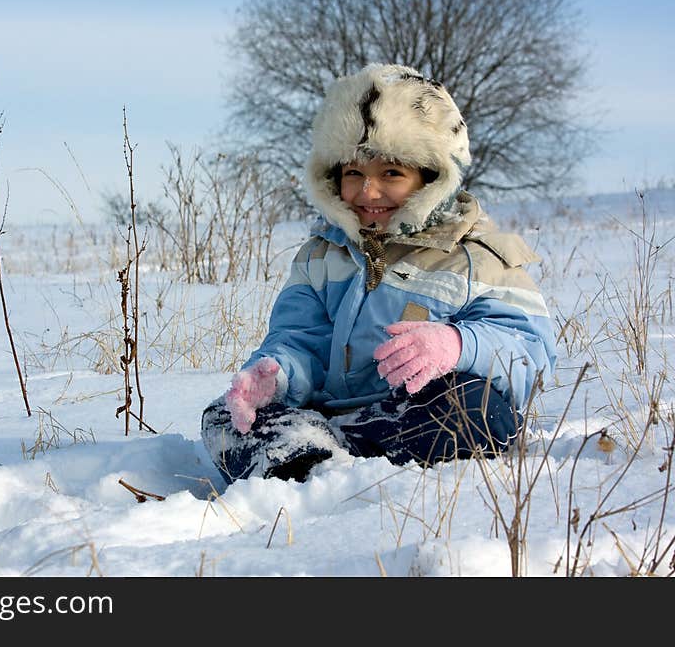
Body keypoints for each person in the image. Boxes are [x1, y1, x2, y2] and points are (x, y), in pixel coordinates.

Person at [201, 64, 557, 483]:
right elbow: (300, 339)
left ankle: (328, 461)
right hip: (325, 416)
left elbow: (530, 351)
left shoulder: (477, 256)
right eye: (354, 173)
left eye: (391, 173)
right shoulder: (320, 255)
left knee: (478, 407)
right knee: (224, 416)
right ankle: (310, 458)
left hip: (410, 415)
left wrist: (458, 344)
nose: (369, 192)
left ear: (432, 178)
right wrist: (276, 375)